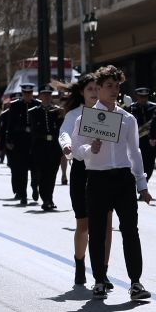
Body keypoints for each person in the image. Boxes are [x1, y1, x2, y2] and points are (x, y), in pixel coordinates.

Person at [72, 66, 153, 301]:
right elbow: (77, 150)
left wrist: (142, 183)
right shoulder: (85, 118)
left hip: (122, 178)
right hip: (97, 178)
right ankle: (99, 280)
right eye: (109, 86)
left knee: (130, 230)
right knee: (97, 231)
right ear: (98, 88)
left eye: (117, 86)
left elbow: (135, 151)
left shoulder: (127, 119)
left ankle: (135, 282)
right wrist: (90, 149)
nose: (114, 90)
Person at [59, 74, 113, 287]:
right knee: (84, 225)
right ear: (82, 92)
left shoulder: (110, 113)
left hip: (104, 170)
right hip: (82, 170)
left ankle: (103, 273)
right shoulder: (74, 115)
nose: (92, 92)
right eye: (89, 88)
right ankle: (80, 263)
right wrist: (67, 146)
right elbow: (64, 134)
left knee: (106, 223)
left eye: (95, 88)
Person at [28, 85, 64, 211]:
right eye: (45, 95)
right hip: (40, 146)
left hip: (54, 146)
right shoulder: (33, 112)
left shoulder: (58, 111)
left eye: (49, 95)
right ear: (40, 97)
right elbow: (33, 131)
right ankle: (45, 199)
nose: (47, 97)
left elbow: (61, 128)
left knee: (52, 173)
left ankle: (49, 197)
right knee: (43, 173)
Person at [5, 84, 37, 205]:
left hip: (34, 142)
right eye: (25, 93)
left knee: (36, 169)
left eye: (30, 93)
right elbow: (10, 125)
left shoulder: (37, 104)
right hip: (20, 142)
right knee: (21, 170)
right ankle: (23, 195)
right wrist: (9, 140)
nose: (28, 95)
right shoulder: (15, 105)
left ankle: (35, 186)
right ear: (23, 93)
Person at [127, 87, 156, 180]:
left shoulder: (155, 107)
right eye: (141, 97)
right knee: (135, 162)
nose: (143, 99)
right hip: (136, 140)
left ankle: (145, 182)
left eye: (145, 97)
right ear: (137, 96)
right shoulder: (132, 107)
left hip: (150, 140)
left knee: (149, 163)